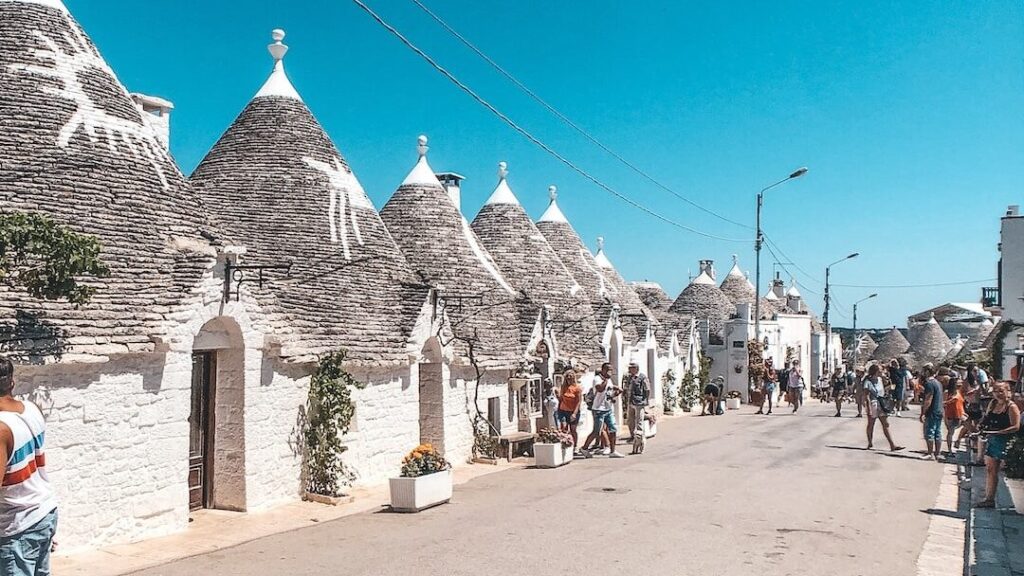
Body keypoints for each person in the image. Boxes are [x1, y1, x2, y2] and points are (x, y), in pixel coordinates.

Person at [0, 356, 58, 576]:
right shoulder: (32, 408)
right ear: (12, 383)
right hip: (44, 511)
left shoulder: (2, 429)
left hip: (18, 525)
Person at [976, 381, 1021, 508]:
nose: (998, 394)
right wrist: (982, 426)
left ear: (1008, 392)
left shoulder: (1012, 407)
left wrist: (998, 432)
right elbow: (986, 417)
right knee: (991, 470)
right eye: (996, 391)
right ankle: (989, 499)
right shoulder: (993, 403)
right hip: (993, 440)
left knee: (1008, 470)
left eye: (1001, 391)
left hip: (1007, 441)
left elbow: (1015, 426)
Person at [581, 363, 623, 458]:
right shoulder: (597, 379)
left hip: (607, 408)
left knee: (613, 429)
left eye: (611, 370)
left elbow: (609, 389)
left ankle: (613, 451)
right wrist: (606, 380)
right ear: (603, 370)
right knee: (597, 431)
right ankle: (584, 448)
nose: (610, 372)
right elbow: (600, 389)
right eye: (608, 370)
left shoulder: (608, 380)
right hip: (598, 409)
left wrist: (617, 391)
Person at [864, 363, 905, 452]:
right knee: (871, 424)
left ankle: (892, 445)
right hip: (873, 403)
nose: (882, 371)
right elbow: (866, 396)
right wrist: (868, 408)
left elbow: (885, 388)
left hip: (882, 403)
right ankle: (870, 442)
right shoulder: (868, 381)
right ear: (875, 371)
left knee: (885, 424)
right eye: (880, 370)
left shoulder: (880, 379)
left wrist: (888, 383)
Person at [919, 364, 944, 461]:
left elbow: (928, 399)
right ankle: (937, 453)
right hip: (939, 410)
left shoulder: (929, 383)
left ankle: (930, 453)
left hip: (932, 411)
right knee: (938, 432)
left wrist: (923, 412)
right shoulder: (938, 383)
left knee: (929, 432)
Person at [622, 362, 651, 444]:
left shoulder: (642, 377)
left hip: (639, 402)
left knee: (639, 420)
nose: (629, 370)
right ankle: (632, 436)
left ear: (636, 368)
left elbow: (647, 389)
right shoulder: (630, 377)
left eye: (631, 368)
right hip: (631, 401)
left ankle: (639, 437)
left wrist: (646, 400)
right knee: (630, 420)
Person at [555, 370, 583, 451]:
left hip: (573, 411)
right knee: (564, 427)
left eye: (570, 378)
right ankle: (564, 444)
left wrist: (574, 413)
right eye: (567, 378)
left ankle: (575, 446)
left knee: (573, 429)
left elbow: (578, 402)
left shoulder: (577, 388)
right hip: (563, 410)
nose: (569, 380)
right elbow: (561, 399)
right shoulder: (564, 387)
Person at [943, 374, 966, 457]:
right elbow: (943, 404)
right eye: (958, 382)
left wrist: (963, 412)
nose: (961, 383)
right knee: (951, 432)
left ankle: (958, 441)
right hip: (951, 415)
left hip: (959, 414)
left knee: (968, 426)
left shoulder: (958, 392)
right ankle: (950, 450)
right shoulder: (947, 393)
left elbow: (961, 404)